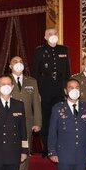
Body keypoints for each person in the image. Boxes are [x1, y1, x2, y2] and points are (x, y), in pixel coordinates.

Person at [5, 56, 42, 170]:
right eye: (15, 62)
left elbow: (36, 104)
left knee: (24, 149)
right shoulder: (5, 81)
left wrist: (37, 122)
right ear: (10, 66)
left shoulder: (32, 82)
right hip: (8, 122)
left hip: (26, 122)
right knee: (9, 150)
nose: (18, 64)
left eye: (20, 62)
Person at [33, 28, 71, 157]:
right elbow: (34, 73)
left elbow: (67, 71)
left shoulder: (64, 50)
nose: (53, 36)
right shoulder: (40, 51)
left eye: (55, 34)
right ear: (45, 37)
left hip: (59, 88)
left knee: (59, 118)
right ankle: (46, 148)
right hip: (44, 87)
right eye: (50, 34)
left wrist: (68, 88)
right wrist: (36, 91)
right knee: (45, 119)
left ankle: (58, 146)